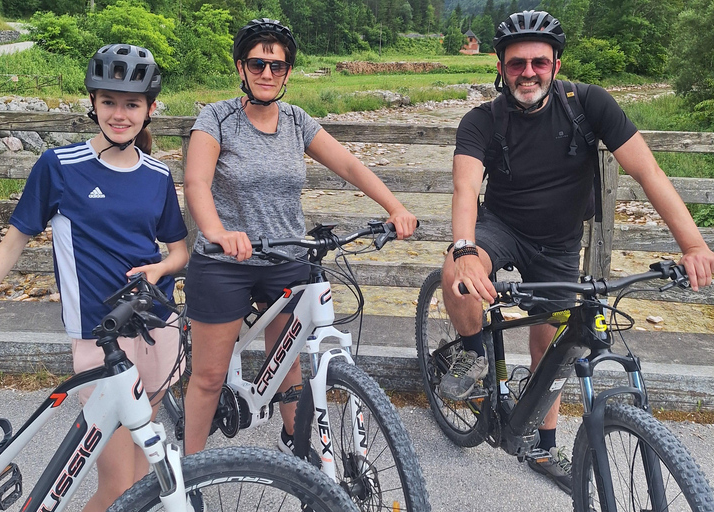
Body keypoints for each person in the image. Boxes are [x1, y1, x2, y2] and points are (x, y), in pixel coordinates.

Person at [439, 10, 714, 495]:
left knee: (554, 344)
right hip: (501, 227)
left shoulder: (589, 105)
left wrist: (692, 244)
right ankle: (471, 353)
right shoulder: (481, 120)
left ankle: (545, 443)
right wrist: (464, 249)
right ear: (500, 67)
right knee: (459, 275)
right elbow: (465, 190)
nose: (528, 72)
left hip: (560, 241)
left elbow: (649, 173)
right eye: (517, 63)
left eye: (539, 62)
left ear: (556, 64)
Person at [0, 44, 189, 512]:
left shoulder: (157, 174)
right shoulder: (60, 167)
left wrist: (161, 267)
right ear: (93, 104)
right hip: (99, 337)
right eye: (109, 102)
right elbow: (11, 245)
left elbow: (179, 251)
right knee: (116, 485)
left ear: (150, 109)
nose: (120, 114)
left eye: (132, 104)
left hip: (158, 326)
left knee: (144, 480)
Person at [183, 18, 418, 457]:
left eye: (277, 66)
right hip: (224, 262)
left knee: (288, 359)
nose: (267, 74)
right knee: (210, 376)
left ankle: (299, 446)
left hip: (286, 255)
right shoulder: (217, 117)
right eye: (257, 64)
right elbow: (196, 182)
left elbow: (349, 166)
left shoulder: (296, 121)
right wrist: (217, 232)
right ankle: (190, 470)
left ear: (288, 73)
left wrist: (395, 207)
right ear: (241, 67)